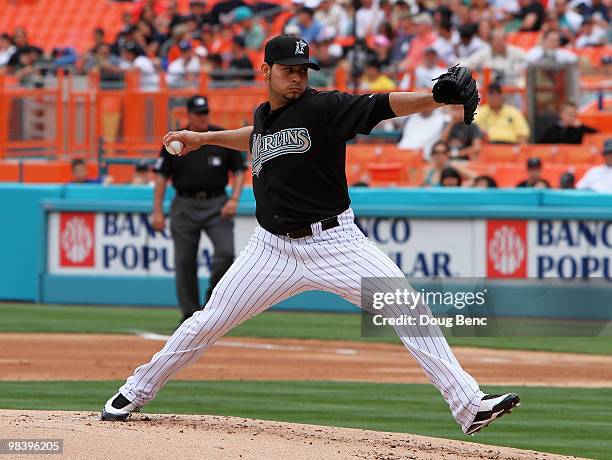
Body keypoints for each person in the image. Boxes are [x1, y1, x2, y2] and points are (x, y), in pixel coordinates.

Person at [101, 35, 520, 437]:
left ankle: (469, 405)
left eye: (304, 69)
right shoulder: (265, 115)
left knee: (406, 308)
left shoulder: (325, 108)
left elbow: (381, 106)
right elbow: (257, 137)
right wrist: (205, 139)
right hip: (271, 249)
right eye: (289, 69)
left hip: (336, 244)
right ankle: (135, 391)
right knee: (206, 323)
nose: (298, 77)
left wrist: (436, 97)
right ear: (265, 71)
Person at [151, 95, 246, 323]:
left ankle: (210, 307)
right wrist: (157, 210)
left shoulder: (218, 137)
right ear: (190, 115)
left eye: (205, 112)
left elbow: (240, 171)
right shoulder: (176, 141)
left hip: (217, 203)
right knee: (184, 261)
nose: (203, 117)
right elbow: (162, 177)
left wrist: (234, 199)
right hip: (184, 204)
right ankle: (189, 315)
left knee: (225, 254)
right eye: (198, 113)